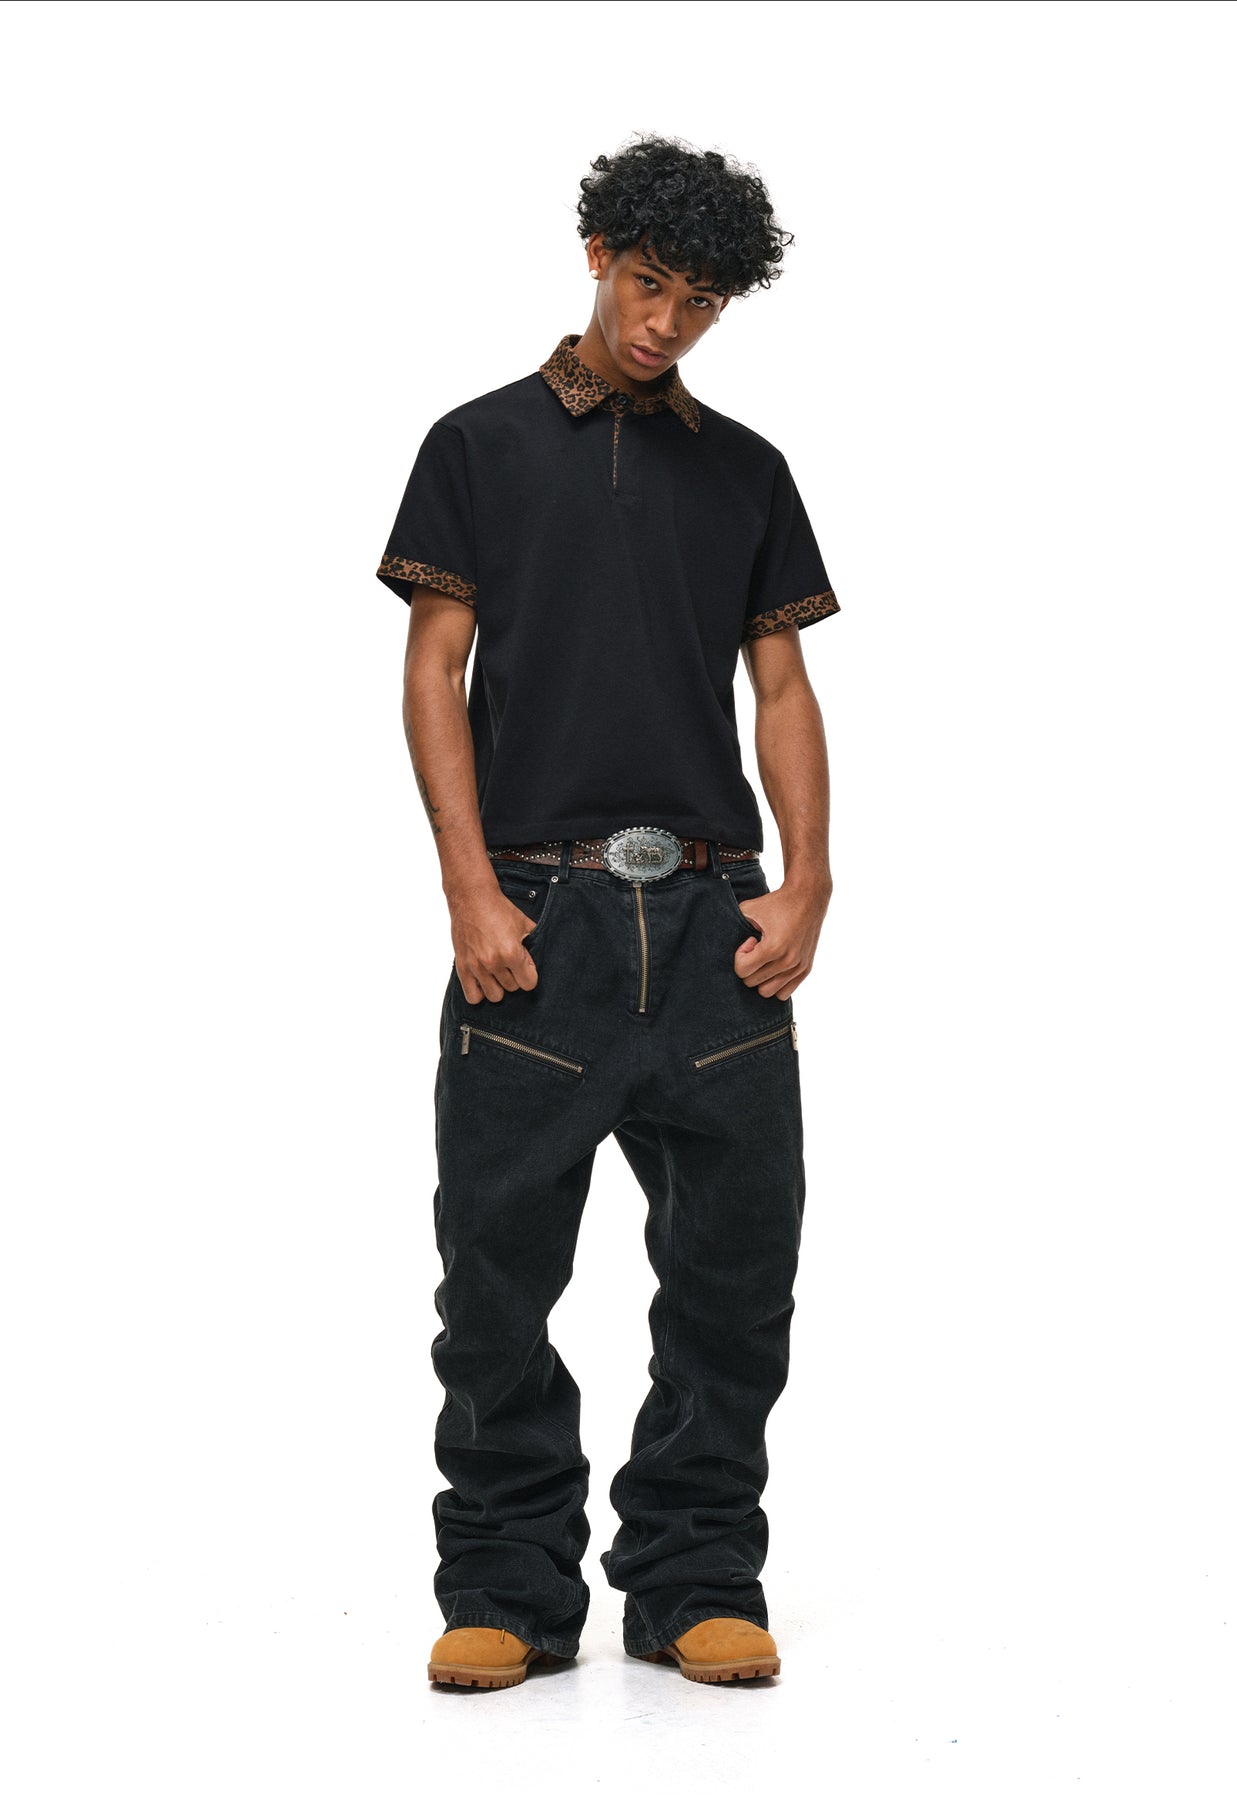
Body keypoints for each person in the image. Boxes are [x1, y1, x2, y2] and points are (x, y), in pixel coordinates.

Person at [374, 133, 840, 1690]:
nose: (665, 322)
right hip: (535, 914)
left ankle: (695, 1579)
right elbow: (433, 670)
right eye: (649, 284)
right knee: (494, 1283)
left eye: (699, 302)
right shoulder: (479, 444)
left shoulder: (746, 469)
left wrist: (808, 880)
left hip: (713, 925)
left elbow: (782, 684)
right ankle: (505, 1590)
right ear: (597, 256)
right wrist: (467, 891)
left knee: (734, 1283)